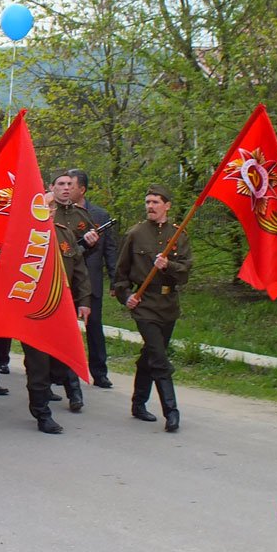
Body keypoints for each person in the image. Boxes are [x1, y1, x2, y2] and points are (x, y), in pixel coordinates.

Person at [113, 184, 192, 433]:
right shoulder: (135, 233)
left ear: (167, 206)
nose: (150, 206)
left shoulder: (179, 235)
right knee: (159, 358)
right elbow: (120, 274)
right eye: (148, 202)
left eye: (156, 202)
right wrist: (126, 297)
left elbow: (186, 273)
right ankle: (172, 411)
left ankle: (138, 403)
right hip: (145, 304)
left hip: (168, 304)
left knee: (150, 354)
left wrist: (168, 265)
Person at [20, 191, 91, 434]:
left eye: (51, 208)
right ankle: (41, 412)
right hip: (34, 311)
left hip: (62, 309)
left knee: (62, 357)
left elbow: (79, 269)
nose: (48, 212)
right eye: (43, 207)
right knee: (38, 364)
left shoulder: (64, 233)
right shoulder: (24, 237)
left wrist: (84, 300)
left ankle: (69, 390)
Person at [68, 168, 119, 388]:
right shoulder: (59, 214)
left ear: (82, 189)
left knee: (95, 326)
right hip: (69, 280)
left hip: (92, 280)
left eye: (71, 185)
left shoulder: (99, 216)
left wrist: (116, 280)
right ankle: (65, 371)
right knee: (67, 328)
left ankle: (99, 373)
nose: (67, 189)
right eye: (64, 185)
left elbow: (110, 250)